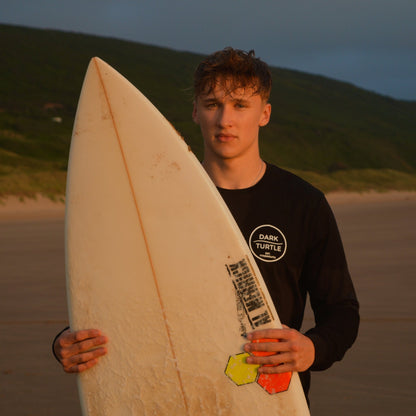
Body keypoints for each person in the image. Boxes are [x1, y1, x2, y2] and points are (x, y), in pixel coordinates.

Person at [52, 47, 359, 402]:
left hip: (264, 400)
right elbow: (115, 303)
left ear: (265, 114)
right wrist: (66, 342)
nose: (225, 119)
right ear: (196, 112)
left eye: (240, 105)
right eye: (213, 104)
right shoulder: (153, 205)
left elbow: (341, 311)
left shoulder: (304, 204)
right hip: (172, 397)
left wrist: (313, 349)